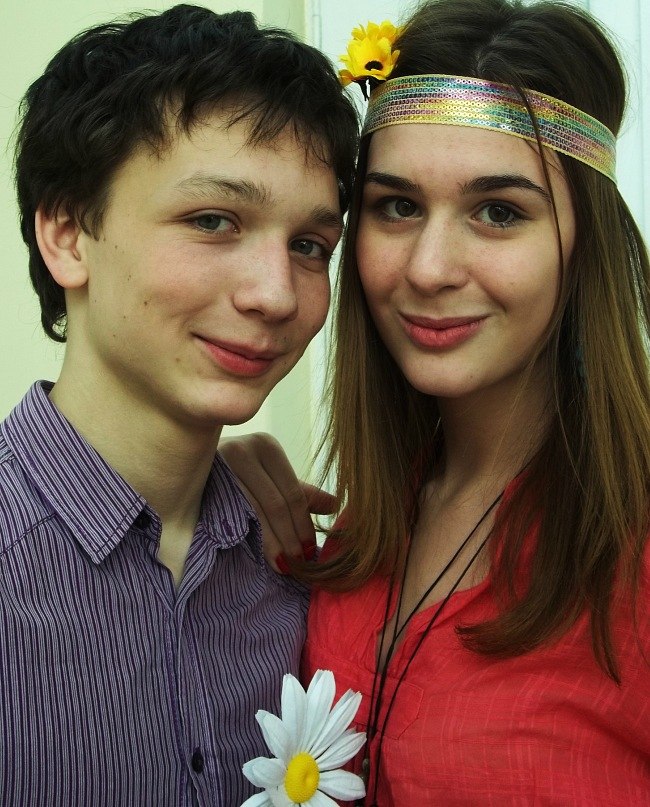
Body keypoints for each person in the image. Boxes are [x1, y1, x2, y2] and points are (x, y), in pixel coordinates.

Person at [220, 0, 650, 803]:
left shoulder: (632, 544)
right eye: (398, 205)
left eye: (499, 212)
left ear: (583, 243)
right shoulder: (361, 527)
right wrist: (200, 488)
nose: (428, 267)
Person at [1, 6, 358, 805]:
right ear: (67, 233)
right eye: (213, 221)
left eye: (310, 246)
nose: (276, 294)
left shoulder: (292, 571)